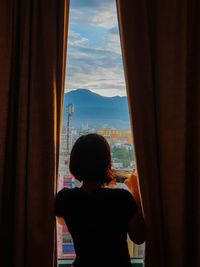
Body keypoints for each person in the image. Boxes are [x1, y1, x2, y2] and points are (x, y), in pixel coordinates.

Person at [55, 133, 145, 267]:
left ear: (75, 163)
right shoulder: (122, 198)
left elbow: (62, 221)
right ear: (106, 164)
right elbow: (138, 237)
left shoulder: (66, 198)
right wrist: (135, 190)